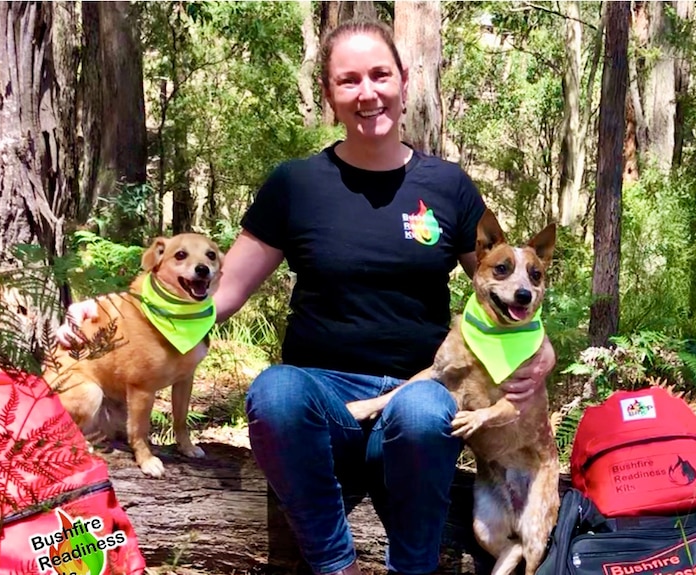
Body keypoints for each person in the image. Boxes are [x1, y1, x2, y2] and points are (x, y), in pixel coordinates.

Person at [57, 19, 556, 575]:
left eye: (379, 75)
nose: (367, 93)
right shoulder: (295, 185)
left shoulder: (449, 186)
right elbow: (217, 293)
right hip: (325, 401)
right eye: (349, 81)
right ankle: (333, 565)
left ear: (404, 81)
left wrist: (544, 353)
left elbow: (505, 288)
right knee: (273, 391)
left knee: (424, 411)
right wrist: (108, 317)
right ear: (329, 96)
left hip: (419, 396)